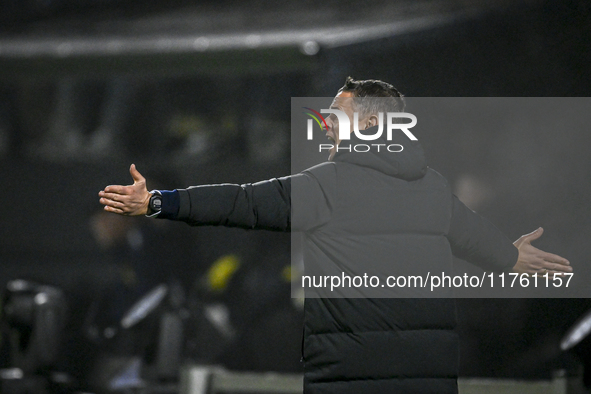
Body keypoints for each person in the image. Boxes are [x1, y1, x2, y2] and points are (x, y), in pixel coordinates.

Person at [99, 77, 571, 393]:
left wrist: (157, 202)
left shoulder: (327, 185)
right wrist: (512, 258)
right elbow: (477, 239)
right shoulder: (431, 187)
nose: (324, 123)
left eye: (336, 115)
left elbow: (238, 202)